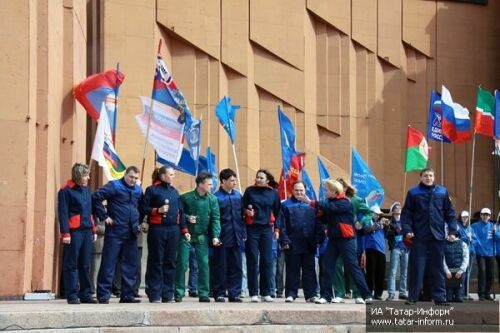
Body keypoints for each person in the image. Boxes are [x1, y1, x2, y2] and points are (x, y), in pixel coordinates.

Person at [297, 179, 373, 304]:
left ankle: (366, 295)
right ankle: (326, 296)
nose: (325, 192)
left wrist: (310, 202)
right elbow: (326, 217)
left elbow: (330, 208)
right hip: (333, 239)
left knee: (353, 267)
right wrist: (319, 214)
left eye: (326, 190)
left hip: (346, 239)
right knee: (328, 267)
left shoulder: (345, 202)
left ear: (333, 191)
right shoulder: (329, 202)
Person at [401, 168, 458, 306]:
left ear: (434, 177)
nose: (428, 178)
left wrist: (452, 232)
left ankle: (439, 298)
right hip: (419, 236)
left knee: (438, 268)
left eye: (431, 175)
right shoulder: (413, 192)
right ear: (421, 177)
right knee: (417, 267)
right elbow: (406, 214)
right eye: (425, 175)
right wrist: (407, 230)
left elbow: (450, 214)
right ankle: (413, 297)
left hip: (437, 236)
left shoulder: (442, 192)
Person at [93, 166, 143, 304]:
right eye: (131, 177)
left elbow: (141, 207)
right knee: (108, 263)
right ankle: (103, 295)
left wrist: (138, 222)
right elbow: (96, 197)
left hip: (131, 232)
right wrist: (104, 216)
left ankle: (127, 295)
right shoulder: (114, 185)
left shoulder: (138, 190)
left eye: (136, 178)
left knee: (130, 265)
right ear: (125, 175)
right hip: (115, 231)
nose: (133, 180)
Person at [174, 172, 221, 302]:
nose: (211, 186)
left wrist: (216, 235)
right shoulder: (185, 197)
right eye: (209, 184)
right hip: (186, 235)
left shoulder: (212, 199)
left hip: (202, 236)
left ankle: (204, 293)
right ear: (200, 184)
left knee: (204, 264)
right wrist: (188, 217)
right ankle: (178, 292)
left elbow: (216, 218)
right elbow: (179, 214)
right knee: (182, 263)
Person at [142, 166, 184, 303]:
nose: (173, 176)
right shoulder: (152, 190)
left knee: (170, 261)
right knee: (156, 260)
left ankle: (168, 293)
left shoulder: (174, 192)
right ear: (163, 176)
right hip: (157, 229)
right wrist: (156, 210)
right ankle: (154, 293)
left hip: (173, 230)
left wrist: (184, 229)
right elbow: (143, 208)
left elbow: (181, 212)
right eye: (171, 174)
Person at [58, 163, 97, 304]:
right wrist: (65, 233)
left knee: (85, 264)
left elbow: (91, 211)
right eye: (85, 175)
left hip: (87, 230)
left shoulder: (87, 190)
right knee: (71, 264)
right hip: (73, 232)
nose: (88, 177)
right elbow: (63, 213)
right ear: (78, 175)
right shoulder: (65, 191)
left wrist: (93, 229)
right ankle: (72, 294)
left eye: (88, 174)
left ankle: (85, 294)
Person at [243, 169, 281, 302]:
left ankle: (266, 292)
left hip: (266, 229)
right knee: (252, 259)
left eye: (261, 178)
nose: (258, 179)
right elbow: (242, 208)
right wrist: (246, 212)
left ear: (267, 181)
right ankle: (253, 292)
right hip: (252, 228)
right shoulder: (249, 191)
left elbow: (278, 213)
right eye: (257, 177)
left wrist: (277, 229)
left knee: (267, 260)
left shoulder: (273, 193)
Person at [278, 181, 319, 303]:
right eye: (296, 190)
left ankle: (311, 294)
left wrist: (317, 239)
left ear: (305, 191)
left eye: (301, 190)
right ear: (292, 190)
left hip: (309, 243)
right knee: (292, 270)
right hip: (292, 243)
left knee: (309, 270)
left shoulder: (311, 205)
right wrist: (284, 240)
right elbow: (281, 225)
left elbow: (318, 224)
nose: (299, 192)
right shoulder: (285, 205)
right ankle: (291, 294)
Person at [335, 178, 372, 304]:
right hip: (335, 237)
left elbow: (369, 213)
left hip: (350, 237)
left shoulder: (355, 200)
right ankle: (339, 293)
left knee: (352, 266)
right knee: (337, 265)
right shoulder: (332, 200)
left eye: (340, 186)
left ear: (345, 188)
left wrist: (361, 223)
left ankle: (358, 294)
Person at [211, 168, 245, 302]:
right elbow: (213, 219)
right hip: (222, 236)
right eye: (231, 180)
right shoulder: (215, 197)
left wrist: (244, 232)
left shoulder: (238, 196)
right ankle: (219, 292)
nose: (234, 183)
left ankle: (234, 293)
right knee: (220, 266)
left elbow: (242, 216)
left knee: (236, 266)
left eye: (235, 180)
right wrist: (215, 235)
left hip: (237, 235)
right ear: (223, 181)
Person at [363, 205, 389, 300]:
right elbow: (367, 230)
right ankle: (369, 292)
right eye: (376, 214)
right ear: (372, 213)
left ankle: (378, 294)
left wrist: (387, 225)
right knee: (370, 272)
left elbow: (388, 234)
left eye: (379, 214)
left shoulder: (381, 224)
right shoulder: (367, 221)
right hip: (371, 249)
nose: (378, 216)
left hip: (381, 251)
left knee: (380, 273)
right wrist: (379, 224)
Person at [471, 207, 496, 301]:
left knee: (490, 274)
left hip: (490, 253)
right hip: (480, 253)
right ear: (481, 215)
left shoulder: (493, 226)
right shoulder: (474, 226)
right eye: (484, 214)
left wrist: (495, 232)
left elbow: (497, 238)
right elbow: (471, 236)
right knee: (482, 271)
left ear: (489, 216)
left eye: (487, 215)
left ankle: (487, 293)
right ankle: (481, 294)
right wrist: (476, 245)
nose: (485, 216)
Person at [385, 202, 409, 301]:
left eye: (400, 207)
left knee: (404, 272)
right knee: (393, 271)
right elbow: (387, 235)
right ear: (393, 210)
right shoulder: (390, 222)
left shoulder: (405, 222)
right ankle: (391, 293)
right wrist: (393, 229)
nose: (399, 209)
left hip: (405, 248)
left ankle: (402, 292)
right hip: (395, 247)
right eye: (396, 207)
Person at [443, 232, 469, 302]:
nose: (450, 236)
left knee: (459, 299)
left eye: (452, 234)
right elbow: (442, 259)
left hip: (459, 272)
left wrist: (461, 271)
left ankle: (459, 295)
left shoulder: (463, 244)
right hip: (448, 273)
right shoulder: (444, 244)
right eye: (449, 234)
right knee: (449, 299)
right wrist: (446, 270)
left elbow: (466, 258)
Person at [457, 210, 474, 299]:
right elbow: (457, 238)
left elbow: (474, 240)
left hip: (470, 252)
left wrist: (471, 239)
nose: (465, 219)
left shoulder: (470, 228)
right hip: (461, 252)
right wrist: (465, 237)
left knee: (468, 273)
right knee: (461, 271)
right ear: (460, 217)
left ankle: (466, 292)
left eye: (466, 217)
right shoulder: (458, 227)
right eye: (463, 217)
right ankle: (461, 292)